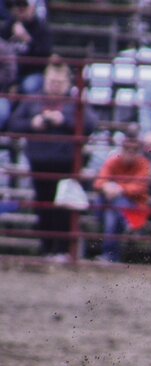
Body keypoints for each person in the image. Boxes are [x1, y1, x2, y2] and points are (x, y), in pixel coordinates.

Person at [7, 56, 97, 261]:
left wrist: (64, 120)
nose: (54, 86)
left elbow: (91, 124)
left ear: (67, 83)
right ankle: (47, 249)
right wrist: (34, 123)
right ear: (45, 80)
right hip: (39, 163)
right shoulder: (33, 100)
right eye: (51, 82)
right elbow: (13, 125)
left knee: (63, 208)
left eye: (58, 82)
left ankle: (63, 250)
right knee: (43, 206)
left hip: (66, 165)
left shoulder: (75, 102)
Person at [92, 128, 151, 263]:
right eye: (127, 149)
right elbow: (99, 181)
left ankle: (110, 255)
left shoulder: (143, 164)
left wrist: (119, 189)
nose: (130, 153)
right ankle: (127, 224)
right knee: (112, 206)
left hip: (133, 206)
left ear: (139, 151)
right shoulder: (113, 161)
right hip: (116, 205)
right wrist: (107, 187)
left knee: (113, 212)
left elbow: (139, 187)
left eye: (134, 150)